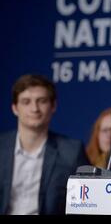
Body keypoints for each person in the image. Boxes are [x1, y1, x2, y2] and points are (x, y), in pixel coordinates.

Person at [0, 74, 89, 215]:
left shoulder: (72, 151)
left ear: (53, 106)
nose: (34, 108)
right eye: (26, 101)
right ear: (14, 108)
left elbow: (87, 204)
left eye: (41, 101)